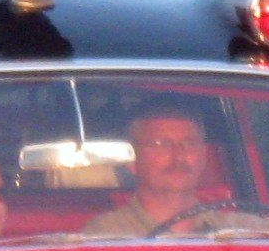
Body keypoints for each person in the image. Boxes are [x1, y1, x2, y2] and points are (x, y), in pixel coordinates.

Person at [83, 100, 224, 236]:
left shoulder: (240, 230)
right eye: (161, 144)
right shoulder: (106, 235)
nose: (178, 156)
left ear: (204, 155)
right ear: (133, 159)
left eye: (189, 143)